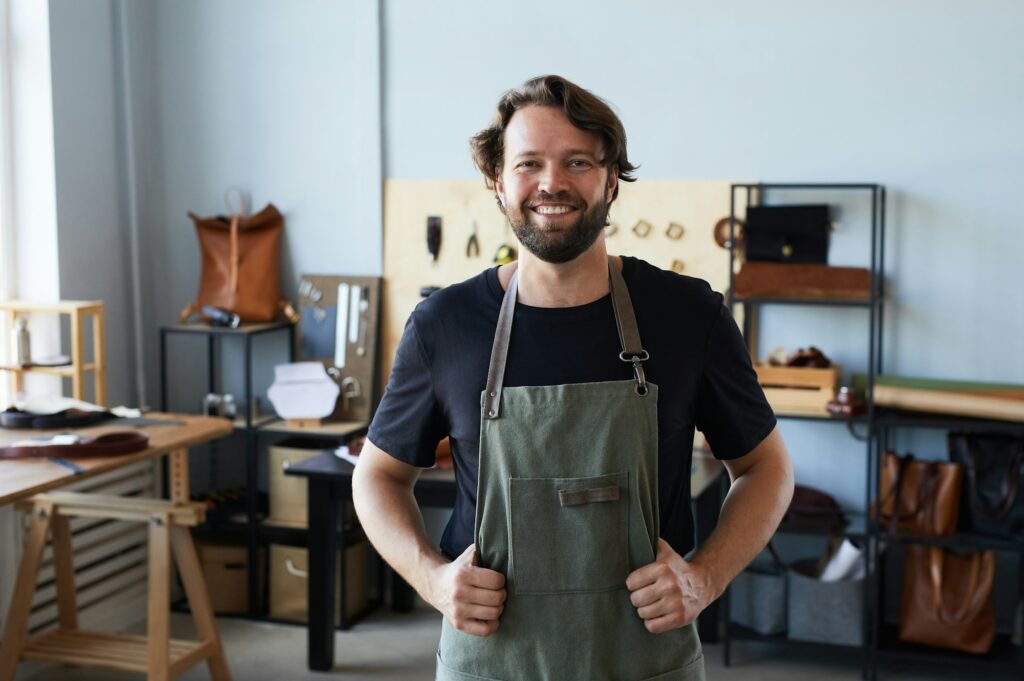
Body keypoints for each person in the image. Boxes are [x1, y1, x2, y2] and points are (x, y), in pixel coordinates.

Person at [353, 74, 794, 681]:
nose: (552, 183)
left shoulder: (689, 316)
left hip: (645, 659)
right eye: (528, 163)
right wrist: (432, 579)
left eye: (577, 161)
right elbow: (376, 475)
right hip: (492, 659)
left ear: (612, 178)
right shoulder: (444, 327)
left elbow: (767, 468)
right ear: (498, 181)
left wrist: (705, 578)